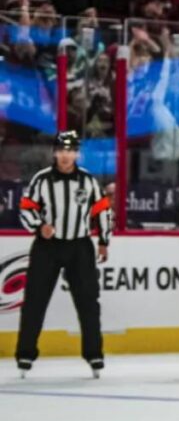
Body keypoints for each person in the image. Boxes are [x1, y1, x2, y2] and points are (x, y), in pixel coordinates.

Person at [16, 131, 112, 378]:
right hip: (47, 247)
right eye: (61, 150)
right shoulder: (41, 180)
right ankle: (26, 353)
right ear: (55, 153)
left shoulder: (89, 181)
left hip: (80, 246)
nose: (65, 156)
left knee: (88, 302)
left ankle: (94, 354)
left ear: (77, 153)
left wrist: (103, 241)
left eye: (70, 151)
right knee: (35, 301)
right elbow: (26, 209)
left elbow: (102, 210)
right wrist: (39, 226)